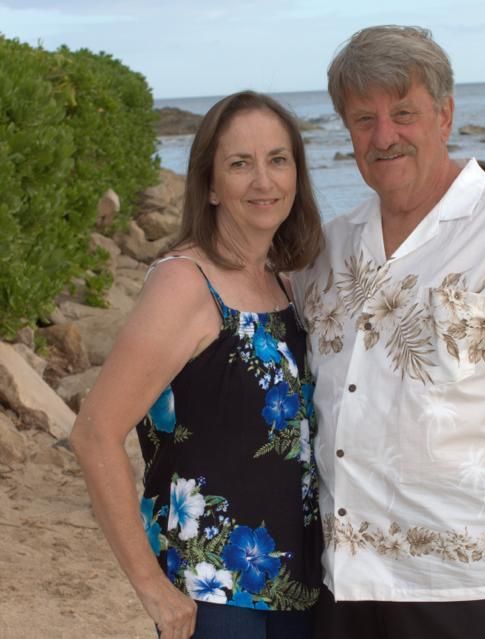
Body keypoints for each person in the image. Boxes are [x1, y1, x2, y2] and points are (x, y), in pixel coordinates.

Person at [290, 25, 485, 639]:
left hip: (477, 593)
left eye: (403, 113)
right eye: (363, 119)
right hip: (343, 586)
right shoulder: (328, 250)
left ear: (444, 115)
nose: (384, 136)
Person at [70, 90, 324, 639]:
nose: (264, 180)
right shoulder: (184, 283)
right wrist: (151, 587)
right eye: (240, 164)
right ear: (209, 185)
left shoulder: (284, 282)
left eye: (278, 160)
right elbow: (94, 434)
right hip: (212, 593)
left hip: (298, 585)